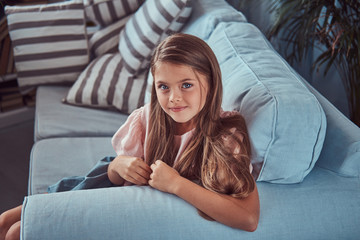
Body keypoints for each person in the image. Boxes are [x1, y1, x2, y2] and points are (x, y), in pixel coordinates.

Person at [0, 33, 259, 240]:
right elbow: (112, 180)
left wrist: (176, 184)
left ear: (211, 83)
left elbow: (248, 219)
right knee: (5, 223)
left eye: (186, 85)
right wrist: (118, 165)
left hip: (138, 213)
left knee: (15, 233)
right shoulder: (147, 119)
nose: (174, 98)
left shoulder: (225, 136)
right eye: (163, 87)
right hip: (116, 192)